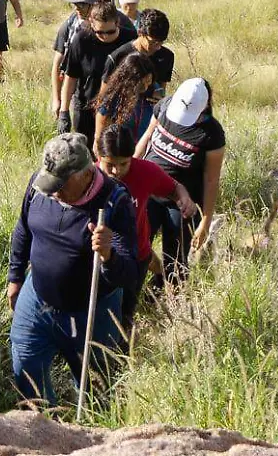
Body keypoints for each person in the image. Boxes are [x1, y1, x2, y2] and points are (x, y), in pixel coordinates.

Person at [7, 133, 141, 409]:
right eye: (50, 180)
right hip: (37, 300)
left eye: (61, 183)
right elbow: (23, 229)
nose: (53, 190)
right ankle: (45, 431)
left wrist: (108, 254)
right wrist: (15, 277)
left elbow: (128, 274)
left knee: (95, 393)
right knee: (25, 369)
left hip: (91, 312)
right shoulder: (39, 185)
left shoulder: (114, 203)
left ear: (86, 173)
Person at [94, 122, 199, 330]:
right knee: (99, 313)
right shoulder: (88, 178)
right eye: (110, 164)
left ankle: (122, 355)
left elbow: (173, 187)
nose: (117, 171)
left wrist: (184, 197)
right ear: (98, 156)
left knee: (125, 314)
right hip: (97, 257)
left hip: (136, 257)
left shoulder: (145, 172)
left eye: (124, 164)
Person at [137, 78, 226, 285]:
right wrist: (130, 169)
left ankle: (170, 300)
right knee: (137, 248)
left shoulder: (211, 134)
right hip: (148, 193)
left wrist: (205, 220)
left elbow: (211, 180)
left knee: (175, 261)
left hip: (180, 204)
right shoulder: (166, 106)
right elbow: (147, 137)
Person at [51, 0, 133, 125]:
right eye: (74, 4)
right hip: (84, 101)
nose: (77, 8)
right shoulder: (72, 27)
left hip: (119, 105)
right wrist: (59, 103)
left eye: (81, 4)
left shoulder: (124, 25)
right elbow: (62, 66)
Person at [58, 0, 138, 141]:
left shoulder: (131, 40)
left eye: (110, 32)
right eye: (100, 32)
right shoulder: (81, 40)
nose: (105, 37)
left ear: (117, 22)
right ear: (91, 23)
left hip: (120, 108)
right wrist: (64, 111)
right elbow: (70, 78)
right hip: (86, 107)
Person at [109, 9, 174, 137]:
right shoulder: (119, 56)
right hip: (121, 119)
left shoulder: (167, 57)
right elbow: (106, 97)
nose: (158, 47)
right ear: (140, 33)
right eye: (153, 42)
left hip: (149, 121)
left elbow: (161, 89)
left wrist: (159, 100)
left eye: (161, 42)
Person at [90, 50, 154, 142]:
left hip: (143, 149)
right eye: (144, 80)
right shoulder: (113, 99)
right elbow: (101, 131)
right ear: (130, 79)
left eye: (149, 80)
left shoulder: (153, 92)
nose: (147, 84)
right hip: (120, 150)